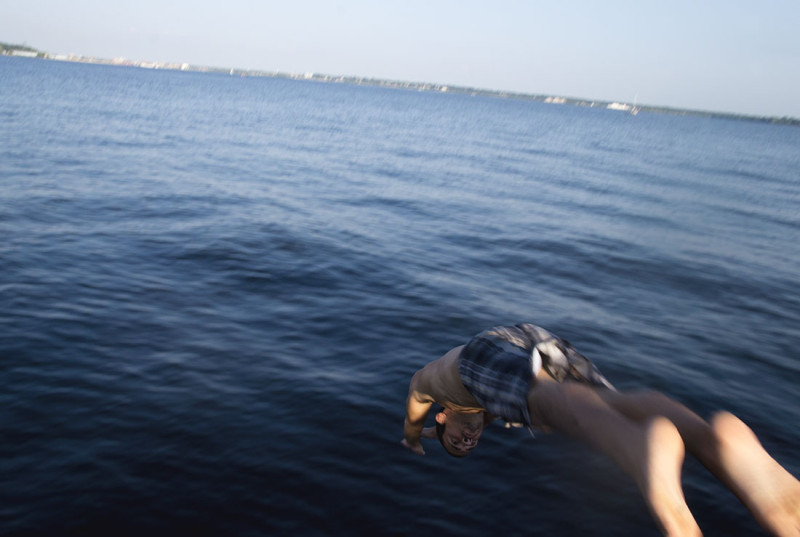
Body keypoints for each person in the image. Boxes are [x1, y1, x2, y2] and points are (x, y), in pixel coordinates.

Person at [401, 323, 800, 537]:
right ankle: (717, 441)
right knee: (608, 404)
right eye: (467, 447)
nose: (466, 441)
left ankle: (641, 447)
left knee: (538, 401)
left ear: (442, 415)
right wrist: (462, 432)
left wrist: (414, 437)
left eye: (456, 439)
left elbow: (415, 395)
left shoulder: (435, 385)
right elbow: (492, 412)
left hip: (483, 353)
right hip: (528, 337)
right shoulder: (480, 409)